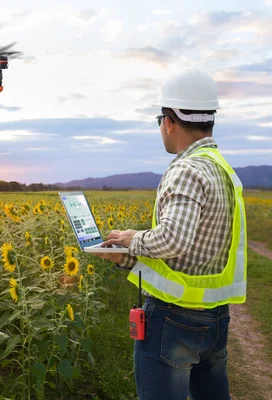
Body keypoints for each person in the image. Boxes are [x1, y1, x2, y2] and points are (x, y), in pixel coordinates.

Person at [94, 65, 247, 400]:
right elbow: (193, 251)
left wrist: (132, 239)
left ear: (170, 121)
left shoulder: (186, 169)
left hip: (175, 322)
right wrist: (128, 255)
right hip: (216, 317)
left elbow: (174, 239)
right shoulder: (223, 170)